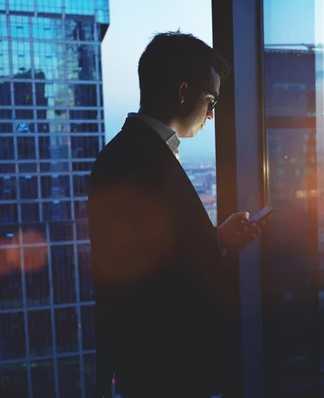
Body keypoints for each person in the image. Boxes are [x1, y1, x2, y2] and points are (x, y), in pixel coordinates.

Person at [87, 31, 262, 398]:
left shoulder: (136, 155)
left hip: (161, 368)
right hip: (165, 372)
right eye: (209, 100)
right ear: (183, 92)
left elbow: (156, 254)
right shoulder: (136, 162)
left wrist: (215, 238)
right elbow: (145, 282)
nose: (211, 115)